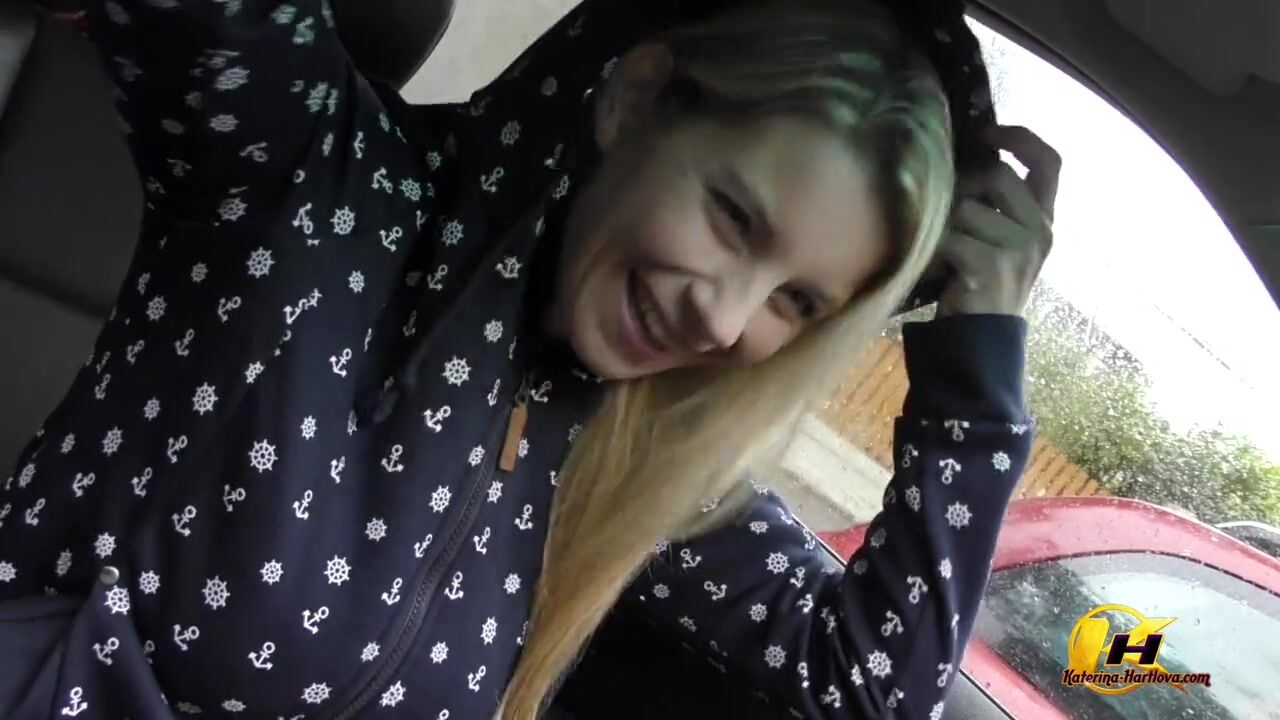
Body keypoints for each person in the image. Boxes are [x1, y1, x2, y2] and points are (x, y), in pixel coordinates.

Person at [0, 0, 1059, 717]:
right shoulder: (314, 180)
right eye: (734, 217)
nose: (722, 318)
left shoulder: (631, 451)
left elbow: (869, 684)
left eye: (798, 301)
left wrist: (975, 356)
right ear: (634, 99)